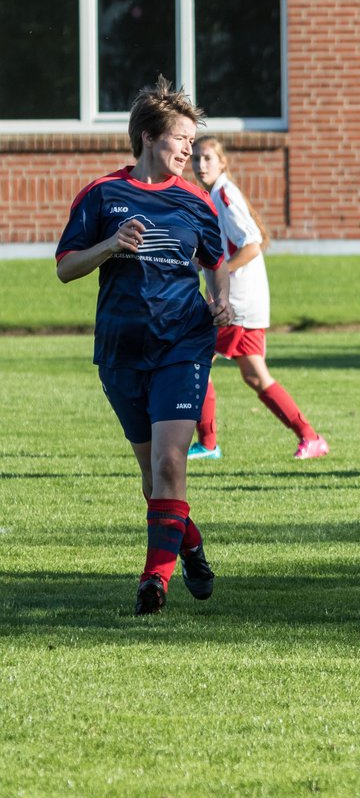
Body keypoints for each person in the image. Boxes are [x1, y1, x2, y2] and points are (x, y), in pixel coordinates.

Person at [55, 76, 231, 615]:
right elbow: (65, 268)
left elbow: (215, 263)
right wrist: (109, 244)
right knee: (153, 476)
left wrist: (219, 299)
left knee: (172, 461)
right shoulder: (103, 195)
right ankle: (191, 546)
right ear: (150, 138)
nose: (188, 149)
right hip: (120, 352)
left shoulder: (196, 202)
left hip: (182, 343)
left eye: (191, 140)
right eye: (180, 138)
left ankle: (154, 581)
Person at [187, 135, 329, 461]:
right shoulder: (217, 194)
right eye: (196, 158)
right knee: (239, 372)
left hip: (239, 304)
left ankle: (211, 444)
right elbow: (227, 246)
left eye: (208, 157)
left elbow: (251, 245)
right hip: (238, 302)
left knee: (203, 365)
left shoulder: (224, 195)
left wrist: (219, 273)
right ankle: (307, 437)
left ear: (223, 162)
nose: (200, 164)